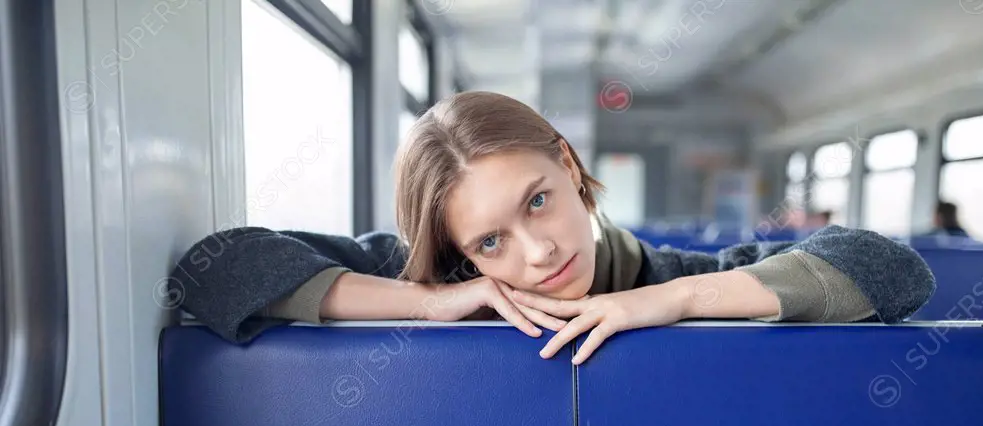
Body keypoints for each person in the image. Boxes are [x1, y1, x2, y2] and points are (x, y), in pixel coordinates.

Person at [170, 91, 936, 365]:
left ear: (568, 164)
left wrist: (668, 302)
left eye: (537, 200)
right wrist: (430, 303)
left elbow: (893, 271)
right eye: (489, 241)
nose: (540, 254)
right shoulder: (419, 277)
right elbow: (211, 265)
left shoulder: (676, 278)